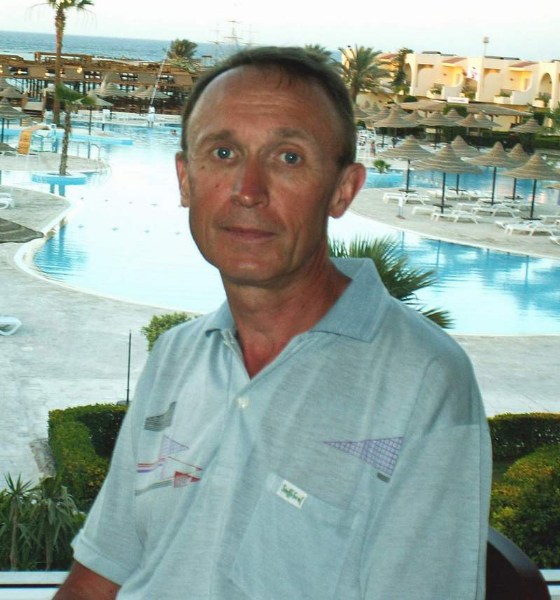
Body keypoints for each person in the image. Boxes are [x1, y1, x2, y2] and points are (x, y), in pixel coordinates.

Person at [55, 46, 491, 599]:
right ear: (186, 179)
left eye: (288, 158)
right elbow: (100, 574)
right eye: (223, 152)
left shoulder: (422, 381)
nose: (248, 191)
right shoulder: (177, 355)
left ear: (342, 190)